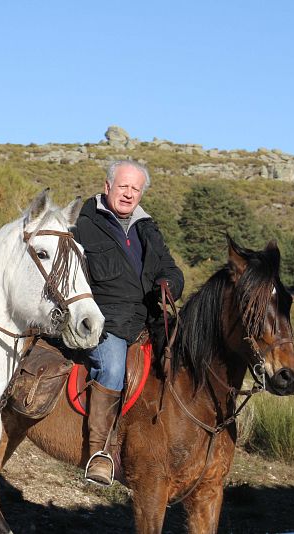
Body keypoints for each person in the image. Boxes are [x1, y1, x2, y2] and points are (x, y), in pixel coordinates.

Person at [74, 160, 184, 485]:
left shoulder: (146, 227)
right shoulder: (83, 225)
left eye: (136, 189)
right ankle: (99, 452)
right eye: (123, 186)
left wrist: (168, 285)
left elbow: (171, 268)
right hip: (105, 321)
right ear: (107, 187)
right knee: (112, 368)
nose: (129, 194)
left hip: (148, 319)